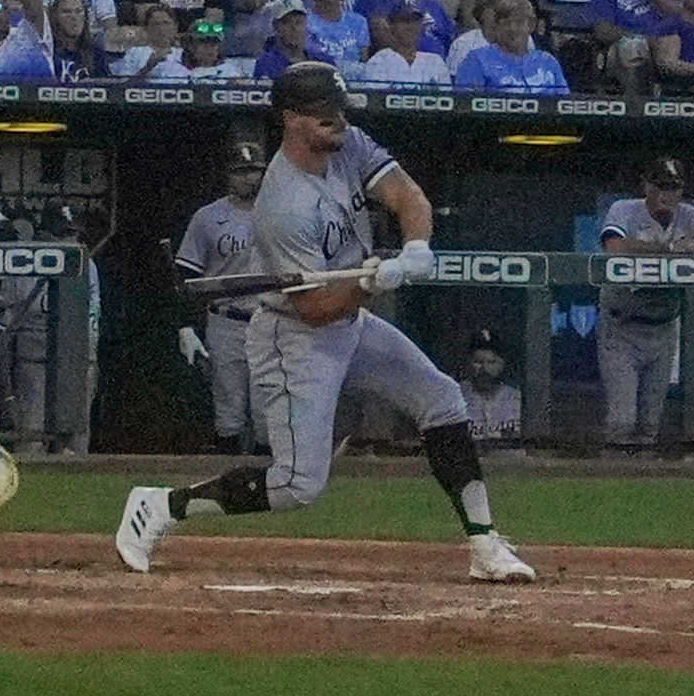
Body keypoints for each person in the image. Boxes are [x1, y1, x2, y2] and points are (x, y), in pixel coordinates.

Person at [115, 63, 535, 583]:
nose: (335, 120)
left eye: (338, 109)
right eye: (321, 114)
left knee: (442, 399)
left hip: (351, 323)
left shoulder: (348, 144)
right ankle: (163, 506)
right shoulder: (282, 205)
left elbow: (408, 196)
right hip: (296, 338)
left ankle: (485, 545)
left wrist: (416, 247)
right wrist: (372, 283)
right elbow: (314, 309)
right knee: (297, 484)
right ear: (290, 119)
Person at [593, 154, 694, 453]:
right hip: (621, 326)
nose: (667, 194)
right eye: (660, 186)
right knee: (622, 422)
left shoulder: (689, 215)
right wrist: (671, 248)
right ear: (646, 185)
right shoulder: (624, 209)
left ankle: (639, 489)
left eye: (674, 187)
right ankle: (611, 483)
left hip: (663, 329)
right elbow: (614, 247)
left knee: (651, 425)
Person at [170, 140, 266, 453]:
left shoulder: (282, 212)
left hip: (271, 320)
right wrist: (186, 326)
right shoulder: (209, 217)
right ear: (228, 175)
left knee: (267, 413)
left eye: (253, 170)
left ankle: (271, 487)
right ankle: (230, 484)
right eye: (240, 171)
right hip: (227, 321)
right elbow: (187, 276)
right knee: (229, 412)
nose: (248, 178)